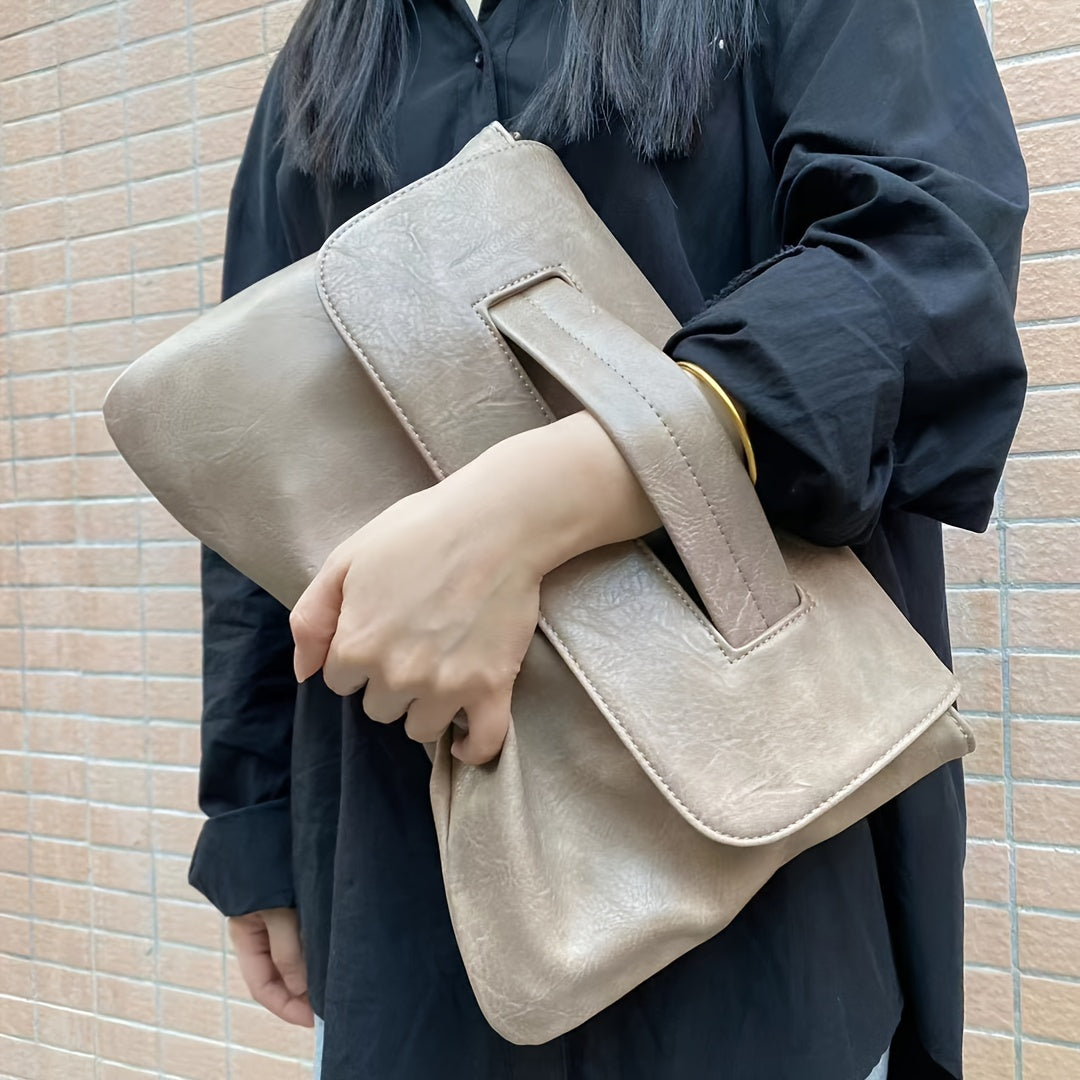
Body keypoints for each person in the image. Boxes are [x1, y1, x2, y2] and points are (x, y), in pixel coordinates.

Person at [186, 0, 1028, 1076]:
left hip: (764, 846)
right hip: (413, 856)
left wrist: (541, 499)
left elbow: (924, 272)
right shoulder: (337, 39)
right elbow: (261, 448)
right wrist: (254, 816)